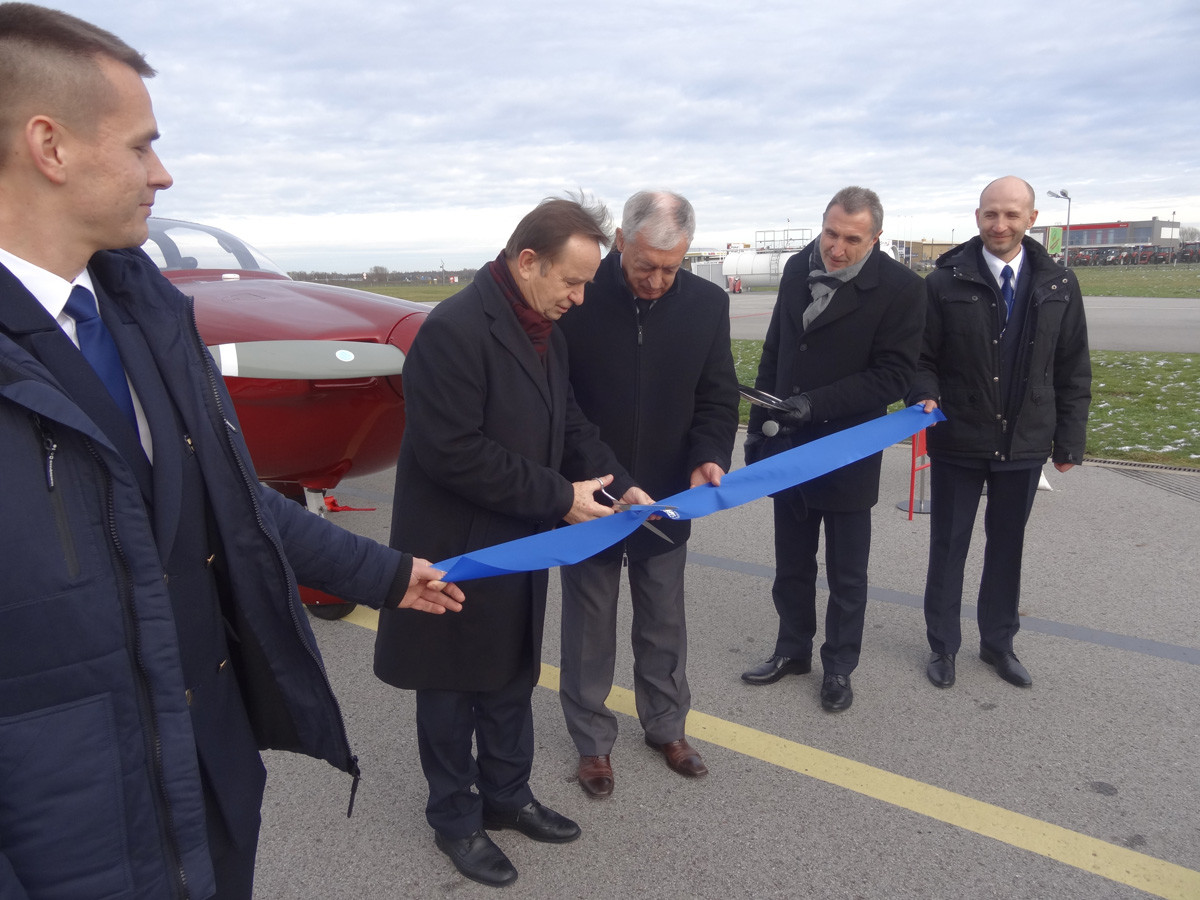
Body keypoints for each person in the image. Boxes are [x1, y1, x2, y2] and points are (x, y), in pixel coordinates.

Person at [0, 5, 465, 900]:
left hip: (207, 788)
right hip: (66, 839)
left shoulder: (149, 319)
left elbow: (230, 502)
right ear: (49, 146)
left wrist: (385, 574)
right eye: (141, 146)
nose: (163, 173)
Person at [373, 195, 652, 887]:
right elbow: (452, 452)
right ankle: (455, 818)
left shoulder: (543, 330)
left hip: (517, 541)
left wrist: (621, 485)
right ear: (528, 261)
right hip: (457, 547)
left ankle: (506, 795)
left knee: (508, 676)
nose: (580, 298)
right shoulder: (454, 330)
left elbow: (570, 426)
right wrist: (560, 498)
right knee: (449, 689)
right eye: (572, 281)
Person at [556, 191, 738, 797]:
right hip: (594, 492)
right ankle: (592, 742)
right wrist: (611, 476)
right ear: (620, 242)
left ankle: (666, 727)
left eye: (671, 268)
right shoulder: (578, 298)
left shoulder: (707, 305)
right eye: (645, 266)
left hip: (667, 496)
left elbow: (717, 395)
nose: (657, 281)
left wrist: (710, 454)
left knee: (663, 619)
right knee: (589, 622)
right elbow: (563, 407)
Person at [741, 186, 925, 712]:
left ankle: (840, 666)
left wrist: (814, 404)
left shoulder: (902, 289)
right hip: (788, 444)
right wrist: (757, 429)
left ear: (876, 237)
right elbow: (776, 352)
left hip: (847, 449)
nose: (836, 249)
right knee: (792, 564)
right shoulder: (798, 268)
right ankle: (792, 648)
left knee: (847, 573)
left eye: (852, 239)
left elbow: (892, 376)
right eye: (830, 233)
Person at [909, 176, 1090, 690]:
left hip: (1024, 440)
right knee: (949, 546)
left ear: (1032, 218)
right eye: (991, 213)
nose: (1000, 224)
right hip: (959, 438)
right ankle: (943, 645)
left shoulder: (1059, 284)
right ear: (978, 217)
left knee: (1007, 547)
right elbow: (919, 357)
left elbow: (1073, 365)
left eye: (1012, 214)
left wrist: (1069, 440)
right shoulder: (943, 283)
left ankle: (998, 644)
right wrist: (924, 393)